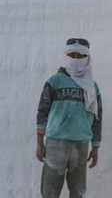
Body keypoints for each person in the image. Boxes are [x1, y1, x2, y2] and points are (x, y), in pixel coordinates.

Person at [36, 38, 103, 198]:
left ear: (87, 58)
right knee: (49, 193)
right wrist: (40, 142)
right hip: (56, 145)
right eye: (72, 55)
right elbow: (42, 111)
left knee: (78, 193)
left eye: (80, 56)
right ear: (66, 56)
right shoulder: (55, 81)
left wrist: (95, 147)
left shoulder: (92, 86)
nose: (76, 59)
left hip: (81, 146)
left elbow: (97, 118)